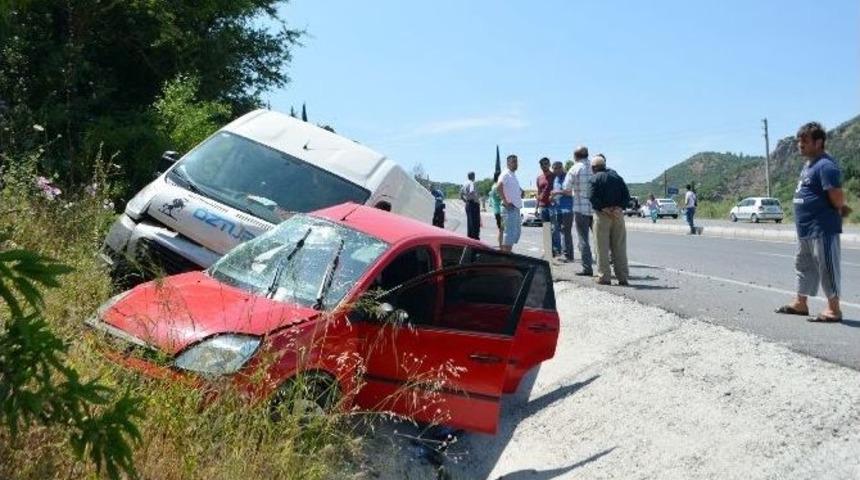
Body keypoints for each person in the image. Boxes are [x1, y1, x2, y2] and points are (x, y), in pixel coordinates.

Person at [775, 122, 850, 323]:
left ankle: (834, 309)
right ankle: (801, 303)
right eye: (799, 140)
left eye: (805, 141)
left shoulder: (826, 166)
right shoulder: (809, 165)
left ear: (818, 142)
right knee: (804, 265)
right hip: (805, 229)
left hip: (822, 228)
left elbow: (837, 197)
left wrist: (837, 210)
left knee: (827, 268)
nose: (800, 144)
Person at [589, 154, 630, 286]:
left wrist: (604, 208)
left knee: (602, 248)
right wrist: (619, 207)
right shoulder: (617, 177)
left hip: (602, 215)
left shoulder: (594, 178)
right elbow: (626, 195)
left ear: (594, 168)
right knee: (619, 247)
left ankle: (604, 277)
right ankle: (623, 277)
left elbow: (592, 197)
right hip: (618, 215)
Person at [566, 146, 594, 276]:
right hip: (596, 209)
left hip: (580, 208)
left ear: (575, 156)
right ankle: (604, 267)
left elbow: (567, 188)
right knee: (601, 239)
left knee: (583, 239)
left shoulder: (575, 169)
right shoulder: (595, 166)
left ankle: (587, 268)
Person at [497, 154, 523, 253]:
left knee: (513, 233)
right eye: (513, 162)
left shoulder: (512, 175)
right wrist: (505, 201)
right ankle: (506, 255)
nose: (516, 164)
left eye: (516, 162)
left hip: (515, 208)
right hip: (509, 209)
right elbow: (499, 187)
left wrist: (520, 191)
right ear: (508, 163)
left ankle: (505, 253)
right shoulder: (506, 174)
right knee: (509, 234)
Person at [536, 157, 562, 256]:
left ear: (549, 164)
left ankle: (557, 250)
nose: (544, 166)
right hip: (543, 206)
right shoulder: (539, 178)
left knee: (555, 228)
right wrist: (536, 207)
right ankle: (548, 250)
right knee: (546, 229)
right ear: (540, 166)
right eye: (542, 164)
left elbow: (559, 188)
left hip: (553, 206)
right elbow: (538, 192)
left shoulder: (554, 176)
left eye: (546, 163)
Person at [550, 161, 573, 261]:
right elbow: (555, 193)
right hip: (557, 209)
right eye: (554, 169)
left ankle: (567, 255)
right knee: (559, 231)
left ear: (561, 167)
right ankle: (565, 253)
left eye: (557, 168)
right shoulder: (555, 179)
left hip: (567, 209)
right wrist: (552, 197)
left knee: (565, 232)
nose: (555, 170)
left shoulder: (568, 177)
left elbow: (571, 192)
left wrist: (557, 192)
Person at [460, 171, 480, 240]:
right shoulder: (472, 183)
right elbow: (472, 192)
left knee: (470, 223)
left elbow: (461, 195)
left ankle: (470, 238)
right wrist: (475, 199)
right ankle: (475, 240)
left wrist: (466, 200)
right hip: (473, 204)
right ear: (473, 176)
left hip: (468, 204)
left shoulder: (464, 184)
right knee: (475, 223)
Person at [488, 172, 504, 249]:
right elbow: (500, 197)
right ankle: (501, 246)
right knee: (502, 229)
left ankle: (500, 245)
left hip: (496, 210)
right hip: (500, 210)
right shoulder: (497, 187)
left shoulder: (493, 186)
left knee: (501, 229)